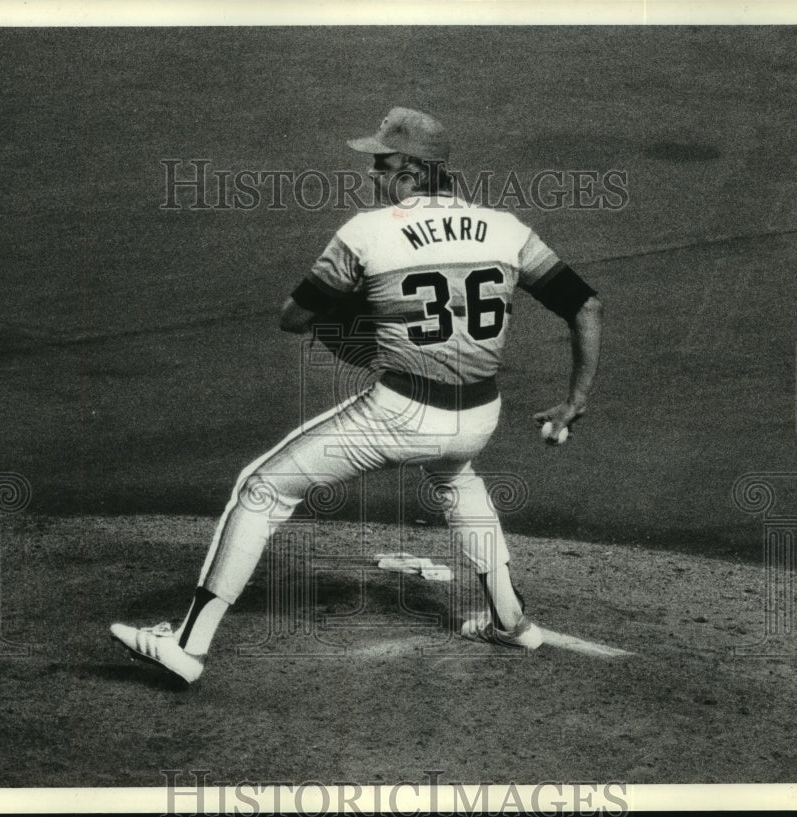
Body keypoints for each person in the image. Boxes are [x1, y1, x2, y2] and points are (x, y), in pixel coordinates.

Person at [111, 107, 603, 683]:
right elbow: (585, 305)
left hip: (401, 414)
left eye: (382, 164)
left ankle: (187, 646)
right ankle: (511, 621)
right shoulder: (506, 229)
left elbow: (294, 318)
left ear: (413, 171)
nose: (372, 174)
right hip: (478, 414)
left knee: (262, 488)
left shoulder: (367, 233)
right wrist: (575, 400)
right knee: (455, 478)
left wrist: (357, 315)